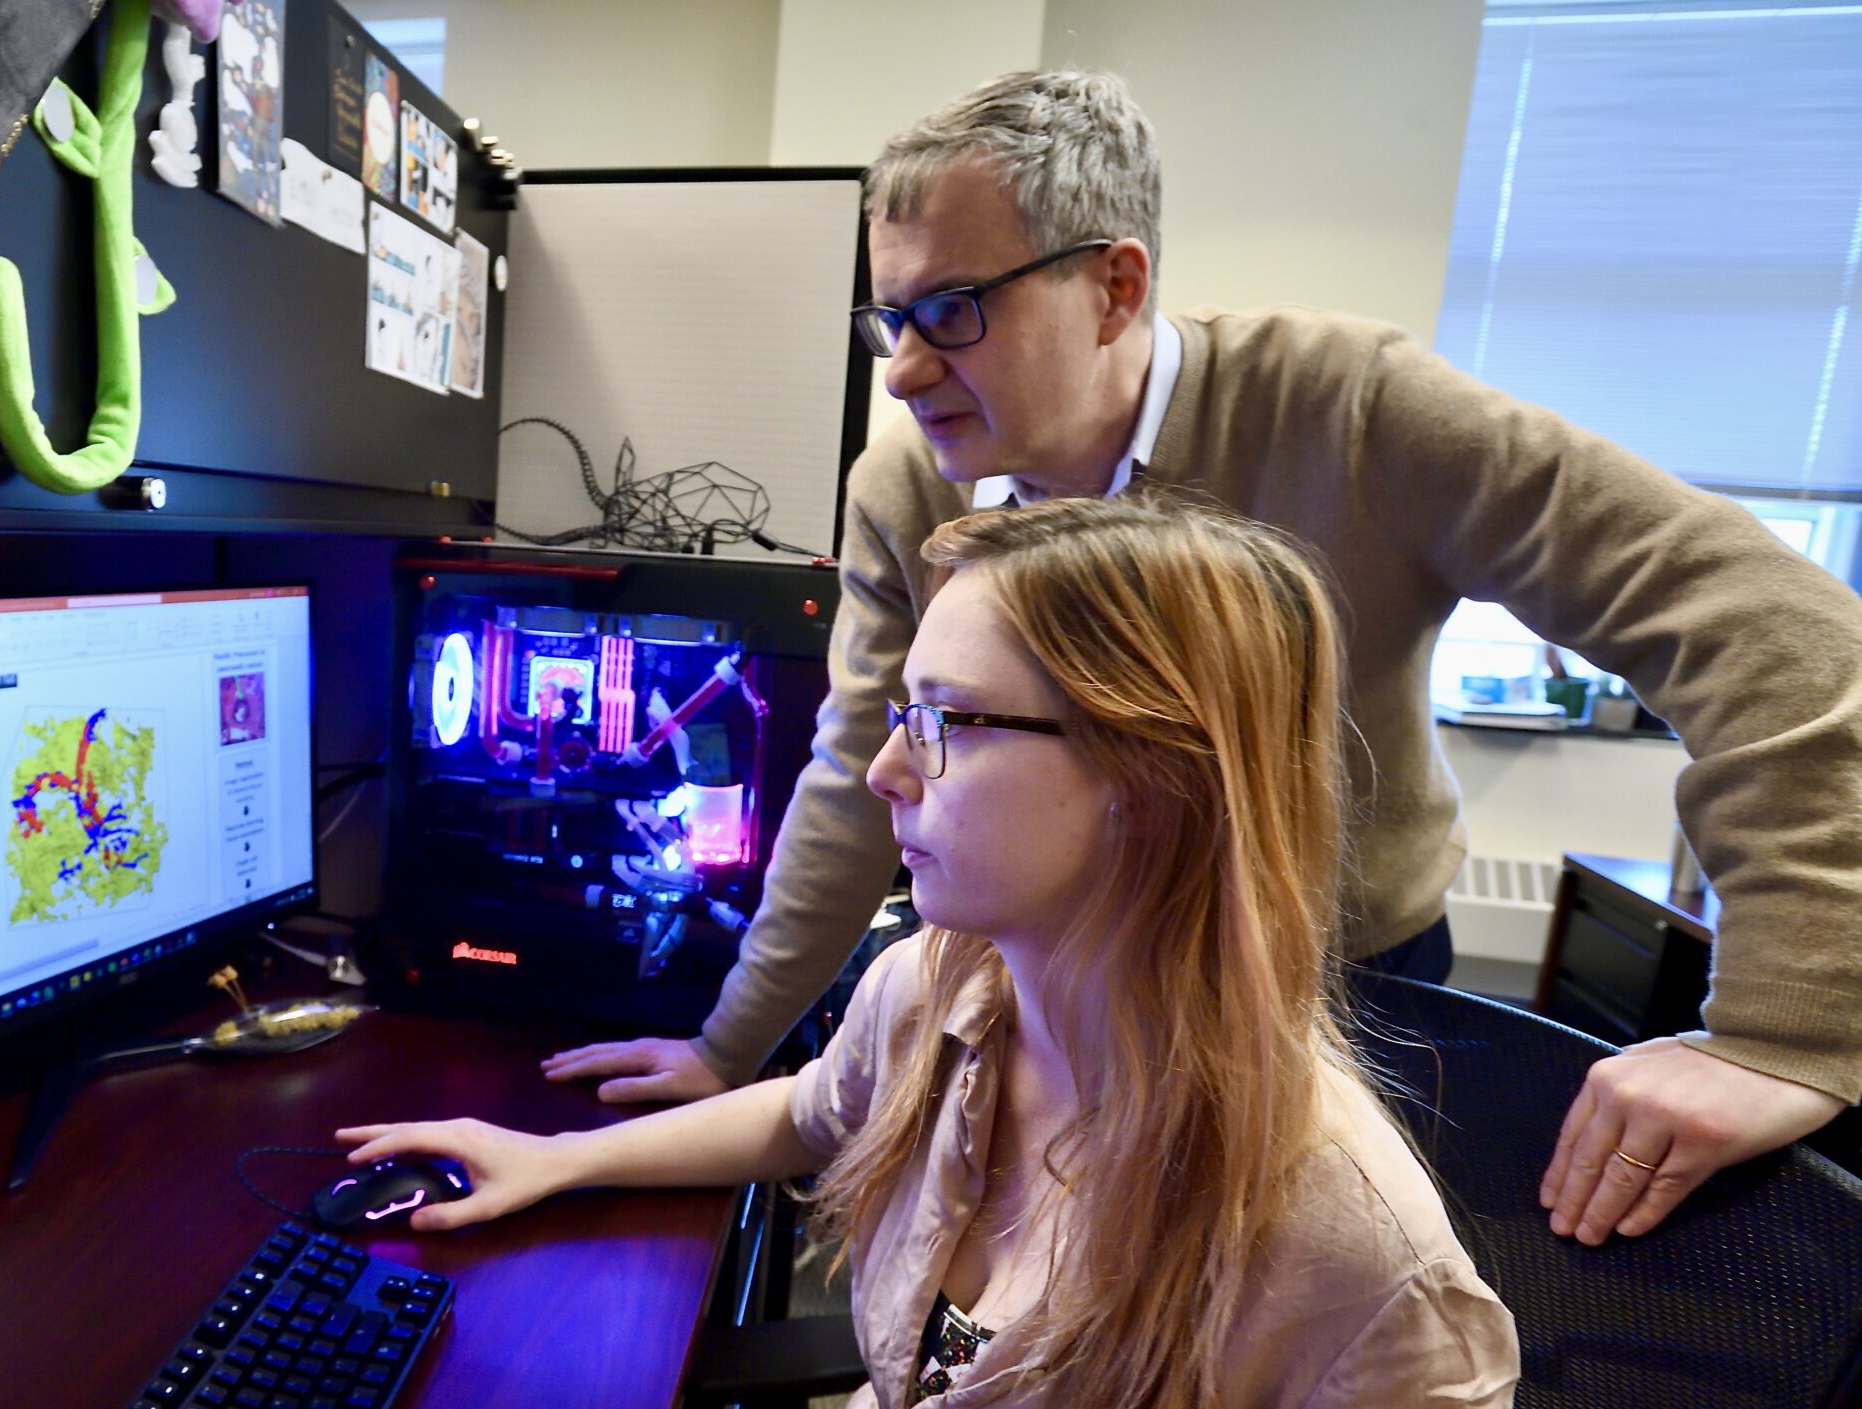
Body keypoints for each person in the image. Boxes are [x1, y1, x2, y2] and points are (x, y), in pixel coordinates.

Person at [544, 70, 1862, 1248]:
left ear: (1115, 287)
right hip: (1051, 988)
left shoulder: (1351, 408)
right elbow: (856, 771)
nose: (901, 372)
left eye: (948, 310)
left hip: (1331, 990)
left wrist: (1782, 1025)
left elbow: (1776, 629)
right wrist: (730, 1043)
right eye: (889, 319)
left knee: (1277, 1363)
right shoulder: (907, 482)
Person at [346, 498, 1519, 1409]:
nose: (885, 769)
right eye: (905, 712)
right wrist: (556, 1157)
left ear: (1153, 772)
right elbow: (811, 1108)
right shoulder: (936, 987)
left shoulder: (1362, 1274)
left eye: (947, 720)